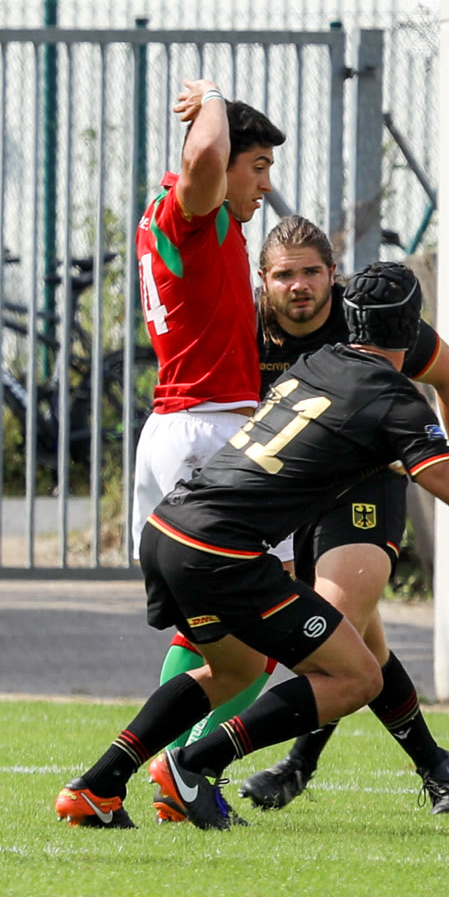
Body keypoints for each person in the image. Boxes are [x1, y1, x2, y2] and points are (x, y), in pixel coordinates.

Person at [55, 263, 449, 831]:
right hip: (223, 552)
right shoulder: (394, 401)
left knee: (234, 668)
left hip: (170, 529)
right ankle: (194, 764)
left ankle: (97, 786)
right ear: (412, 328)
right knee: (357, 675)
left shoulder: (315, 363)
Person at [213, 216, 449, 816]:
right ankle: (434, 763)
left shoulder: (367, 319)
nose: (300, 286)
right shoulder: (243, 326)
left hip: (364, 487)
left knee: (334, 630)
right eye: (286, 275)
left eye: (312, 272)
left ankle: (289, 765)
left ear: (333, 274)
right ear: (263, 280)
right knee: (361, 643)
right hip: (289, 495)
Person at [132, 78, 288, 810]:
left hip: (190, 425)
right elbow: (201, 159)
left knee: (211, 634)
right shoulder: (191, 208)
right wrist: (214, 100)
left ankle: (175, 772)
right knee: (269, 631)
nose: (265, 184)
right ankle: (183, 765)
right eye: (257, 165)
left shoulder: (196, 218)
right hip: (208, 432)